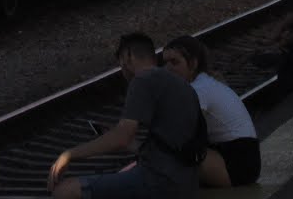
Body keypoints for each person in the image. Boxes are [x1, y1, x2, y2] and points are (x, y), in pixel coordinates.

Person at [48, 32, 205, 199]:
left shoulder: (143, 79)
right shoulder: (179, 84)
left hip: (160, 182)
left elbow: (122, 136)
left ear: (127, 57)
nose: (123, 72)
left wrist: (70, 154)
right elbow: (169, 144)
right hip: (186, 181)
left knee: (65, 191)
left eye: (121, 65)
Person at [161, 35, 261, 187]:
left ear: (193, 63)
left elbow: (178, 129)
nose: (167, 69)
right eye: (165, 63)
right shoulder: (205, 82)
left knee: (172, 153)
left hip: (237, 165)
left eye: (174, 62)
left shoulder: (199, 89)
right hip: (243, 159)